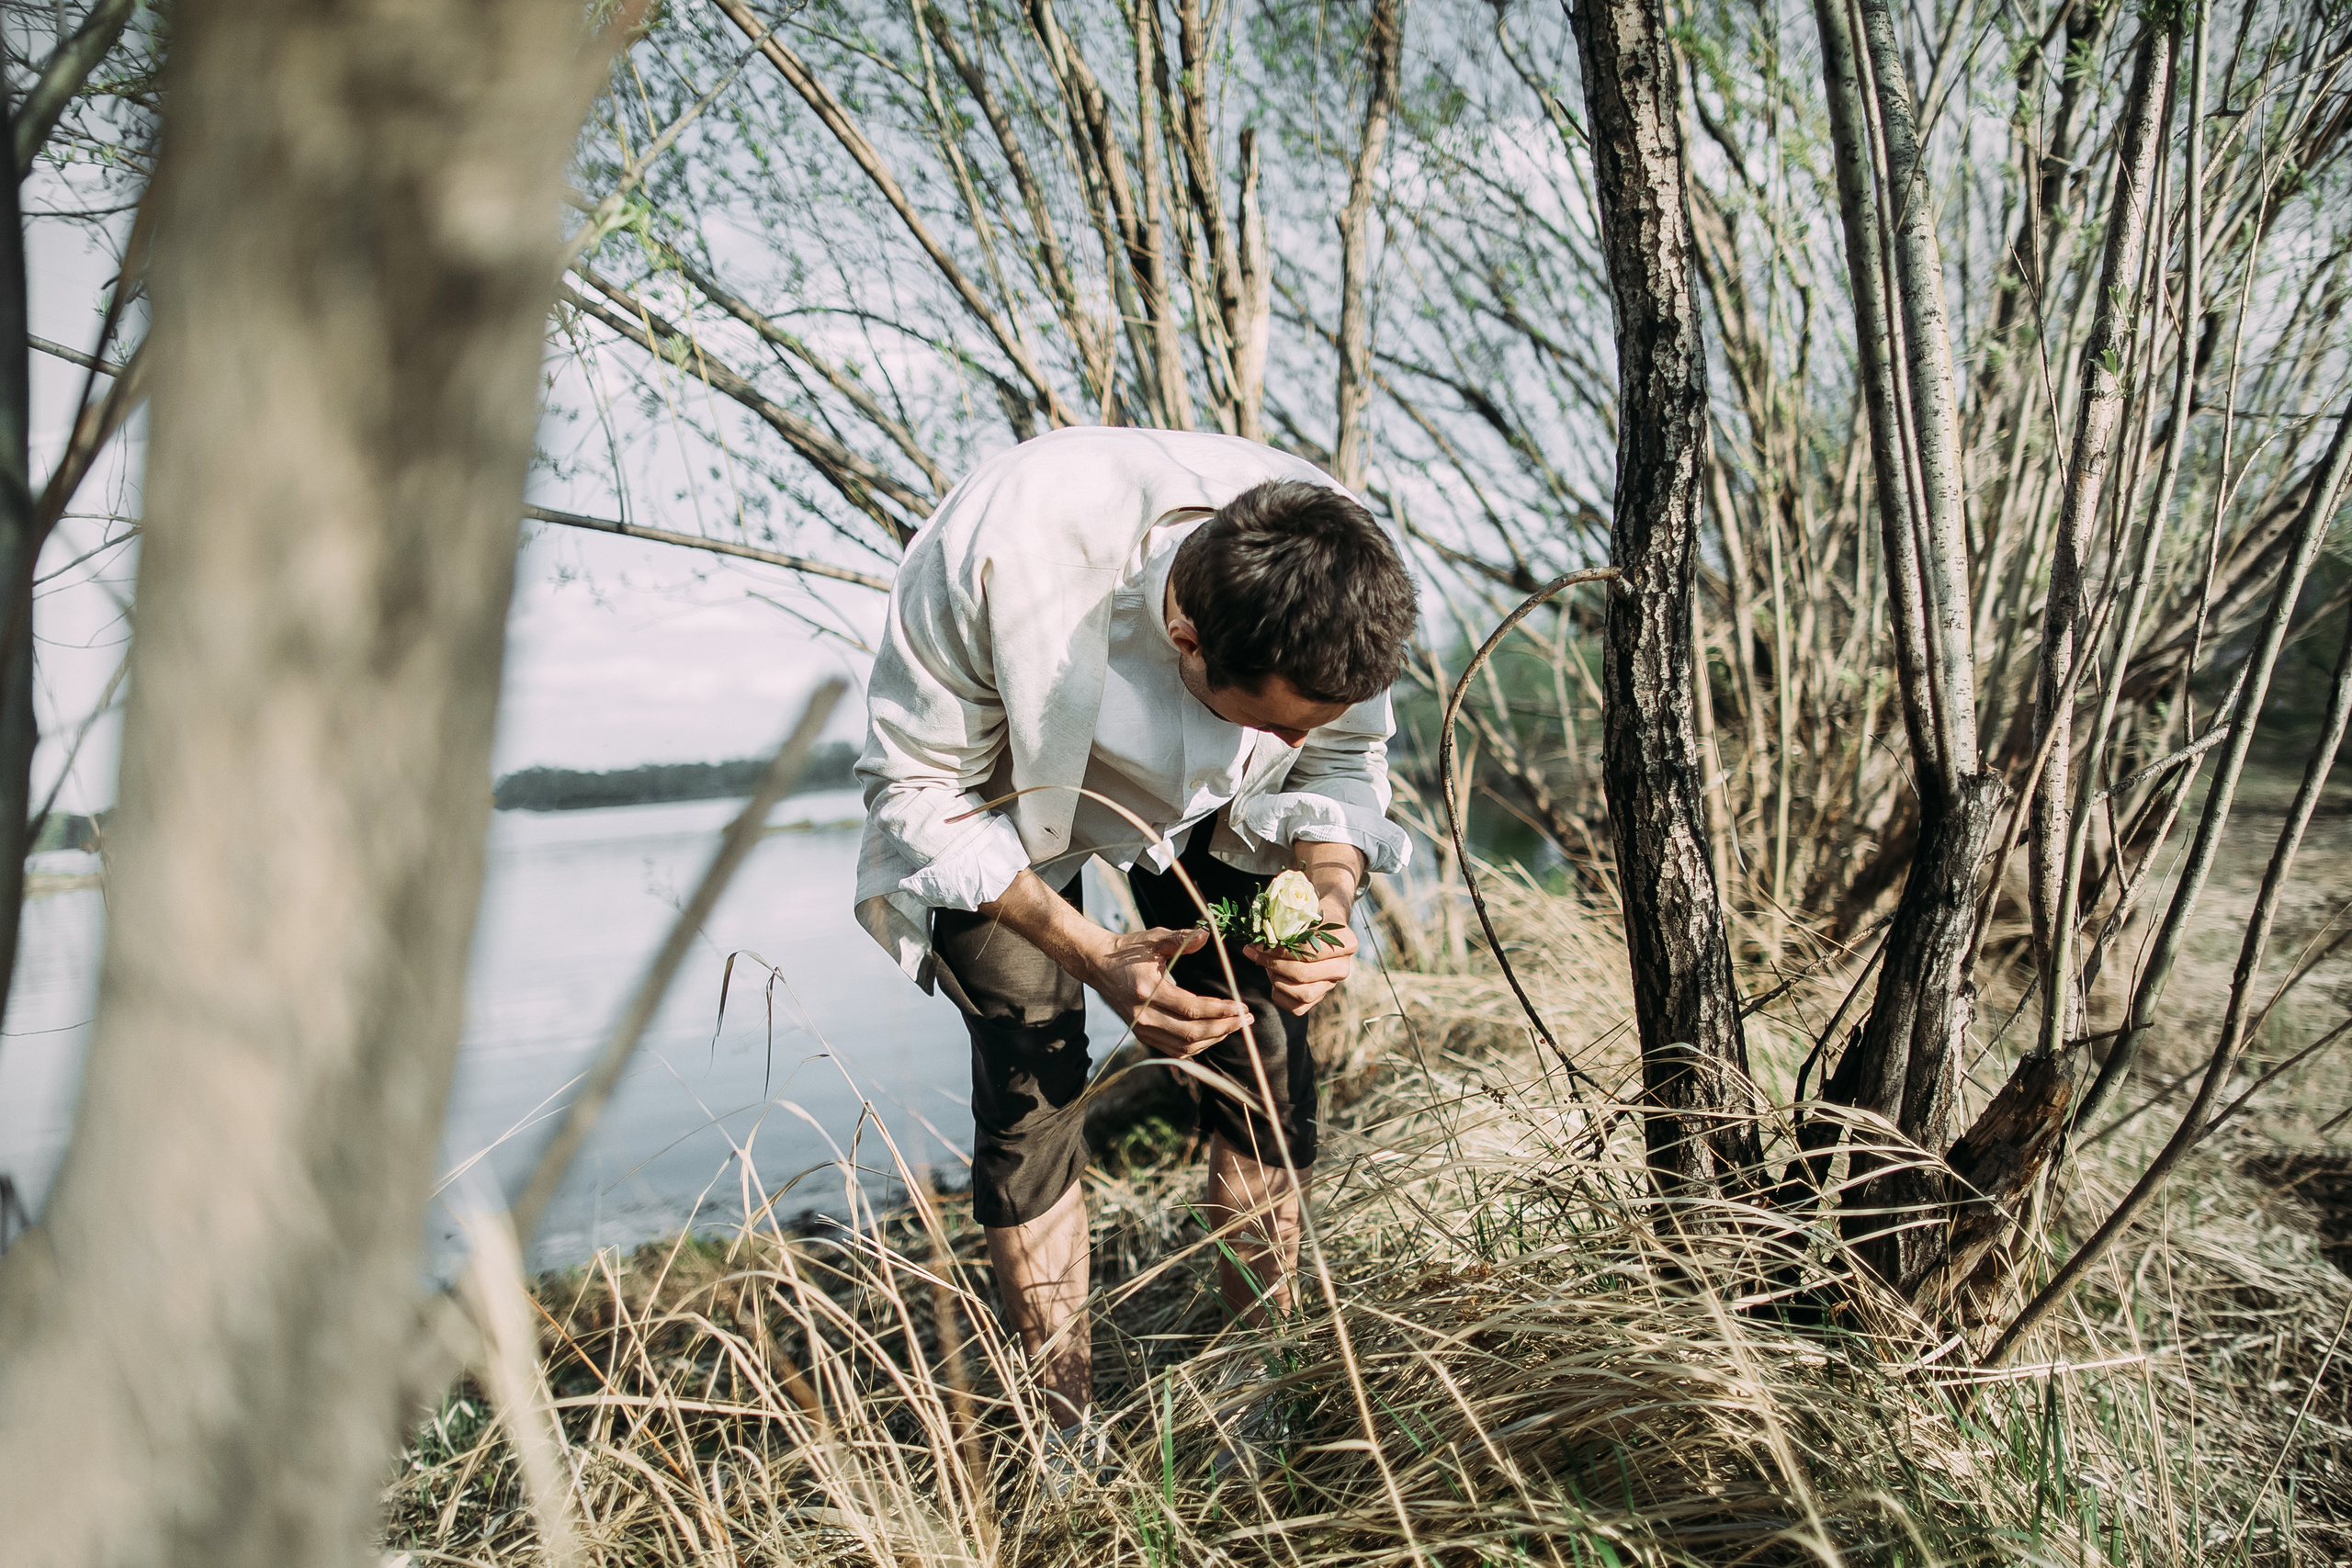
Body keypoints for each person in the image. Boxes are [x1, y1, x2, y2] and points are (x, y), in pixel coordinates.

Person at [853, 424, 1417, 1471]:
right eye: (1276, 723)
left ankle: (1259, 1389)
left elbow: (1339, 765)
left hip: (1226, 820)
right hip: (1001, 800)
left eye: (1306, 724)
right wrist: (1089, 952)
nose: (1295, 744)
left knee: (1263, 1065)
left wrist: (1330, 897)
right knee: (1031, 1095)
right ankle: (1069, 1440)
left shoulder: (1339, 576)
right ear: (1186, 637)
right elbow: (915, 795)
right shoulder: (999, 552)